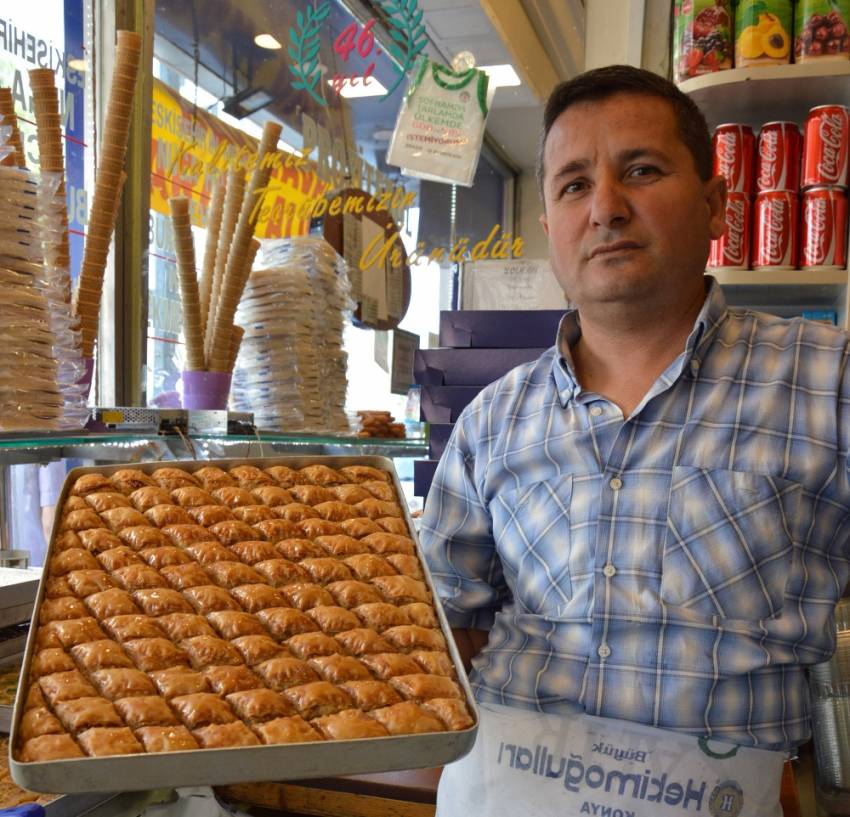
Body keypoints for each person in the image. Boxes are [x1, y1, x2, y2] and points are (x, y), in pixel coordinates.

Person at [421, 64, 850, 817]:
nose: (606, 210)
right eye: (574, 185)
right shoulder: (491, 422)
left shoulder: (828, 381)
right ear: (550, 224)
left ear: (716, 204)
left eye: (642, 171)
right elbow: (449, 627)